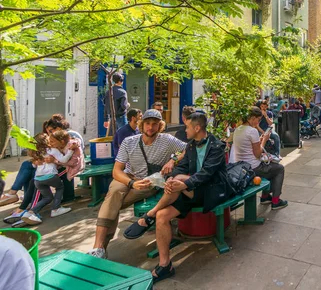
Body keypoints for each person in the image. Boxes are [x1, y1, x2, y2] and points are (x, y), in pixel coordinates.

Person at [123, 113, 230, 283]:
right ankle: (165, 265)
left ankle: (149, 214)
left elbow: (206, 174)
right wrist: (171, 178)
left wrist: (182, 183)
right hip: (191, 191)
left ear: (197, 128)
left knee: (179, 180)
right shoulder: (191, 145)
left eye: (187, 127)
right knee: (162, 216)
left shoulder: (216, 146)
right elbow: (184, 166)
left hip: (212, 190)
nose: (184, 130)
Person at [87, 109, 186, 259]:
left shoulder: (167, 140)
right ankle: (98, 247)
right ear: (141, 124)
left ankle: (100, 249)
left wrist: (173, 160)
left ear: (160, 126)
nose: (150, 127)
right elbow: (116, 171)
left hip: (150, 181)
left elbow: (187, 148)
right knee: (114, 194)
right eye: (147, 123)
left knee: (112, 202)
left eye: (154, 124)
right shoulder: (129, 141)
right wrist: (132, 183)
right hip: (127, 177)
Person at [233, 107, 287, 210]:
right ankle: (276, 201)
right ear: (252, 118)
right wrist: (264, 140)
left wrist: (259, 141)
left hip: (241, 167)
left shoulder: (237, 129)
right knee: (279, 169)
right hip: (253, 168)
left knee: (271, 168)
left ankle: (265, 197)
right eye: (258, 120)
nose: (258, 123)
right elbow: (257, 154)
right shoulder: (252, 131)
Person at [22, 131, 74, 225]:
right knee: (60, 187)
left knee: (47, 197)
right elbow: (63, 160)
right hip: (50, 176)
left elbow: (34, 166)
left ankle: (30, 212)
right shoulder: (52, 150)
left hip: (38, 179)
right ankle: (55, 209)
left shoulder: (36, 153)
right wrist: (71, 151)